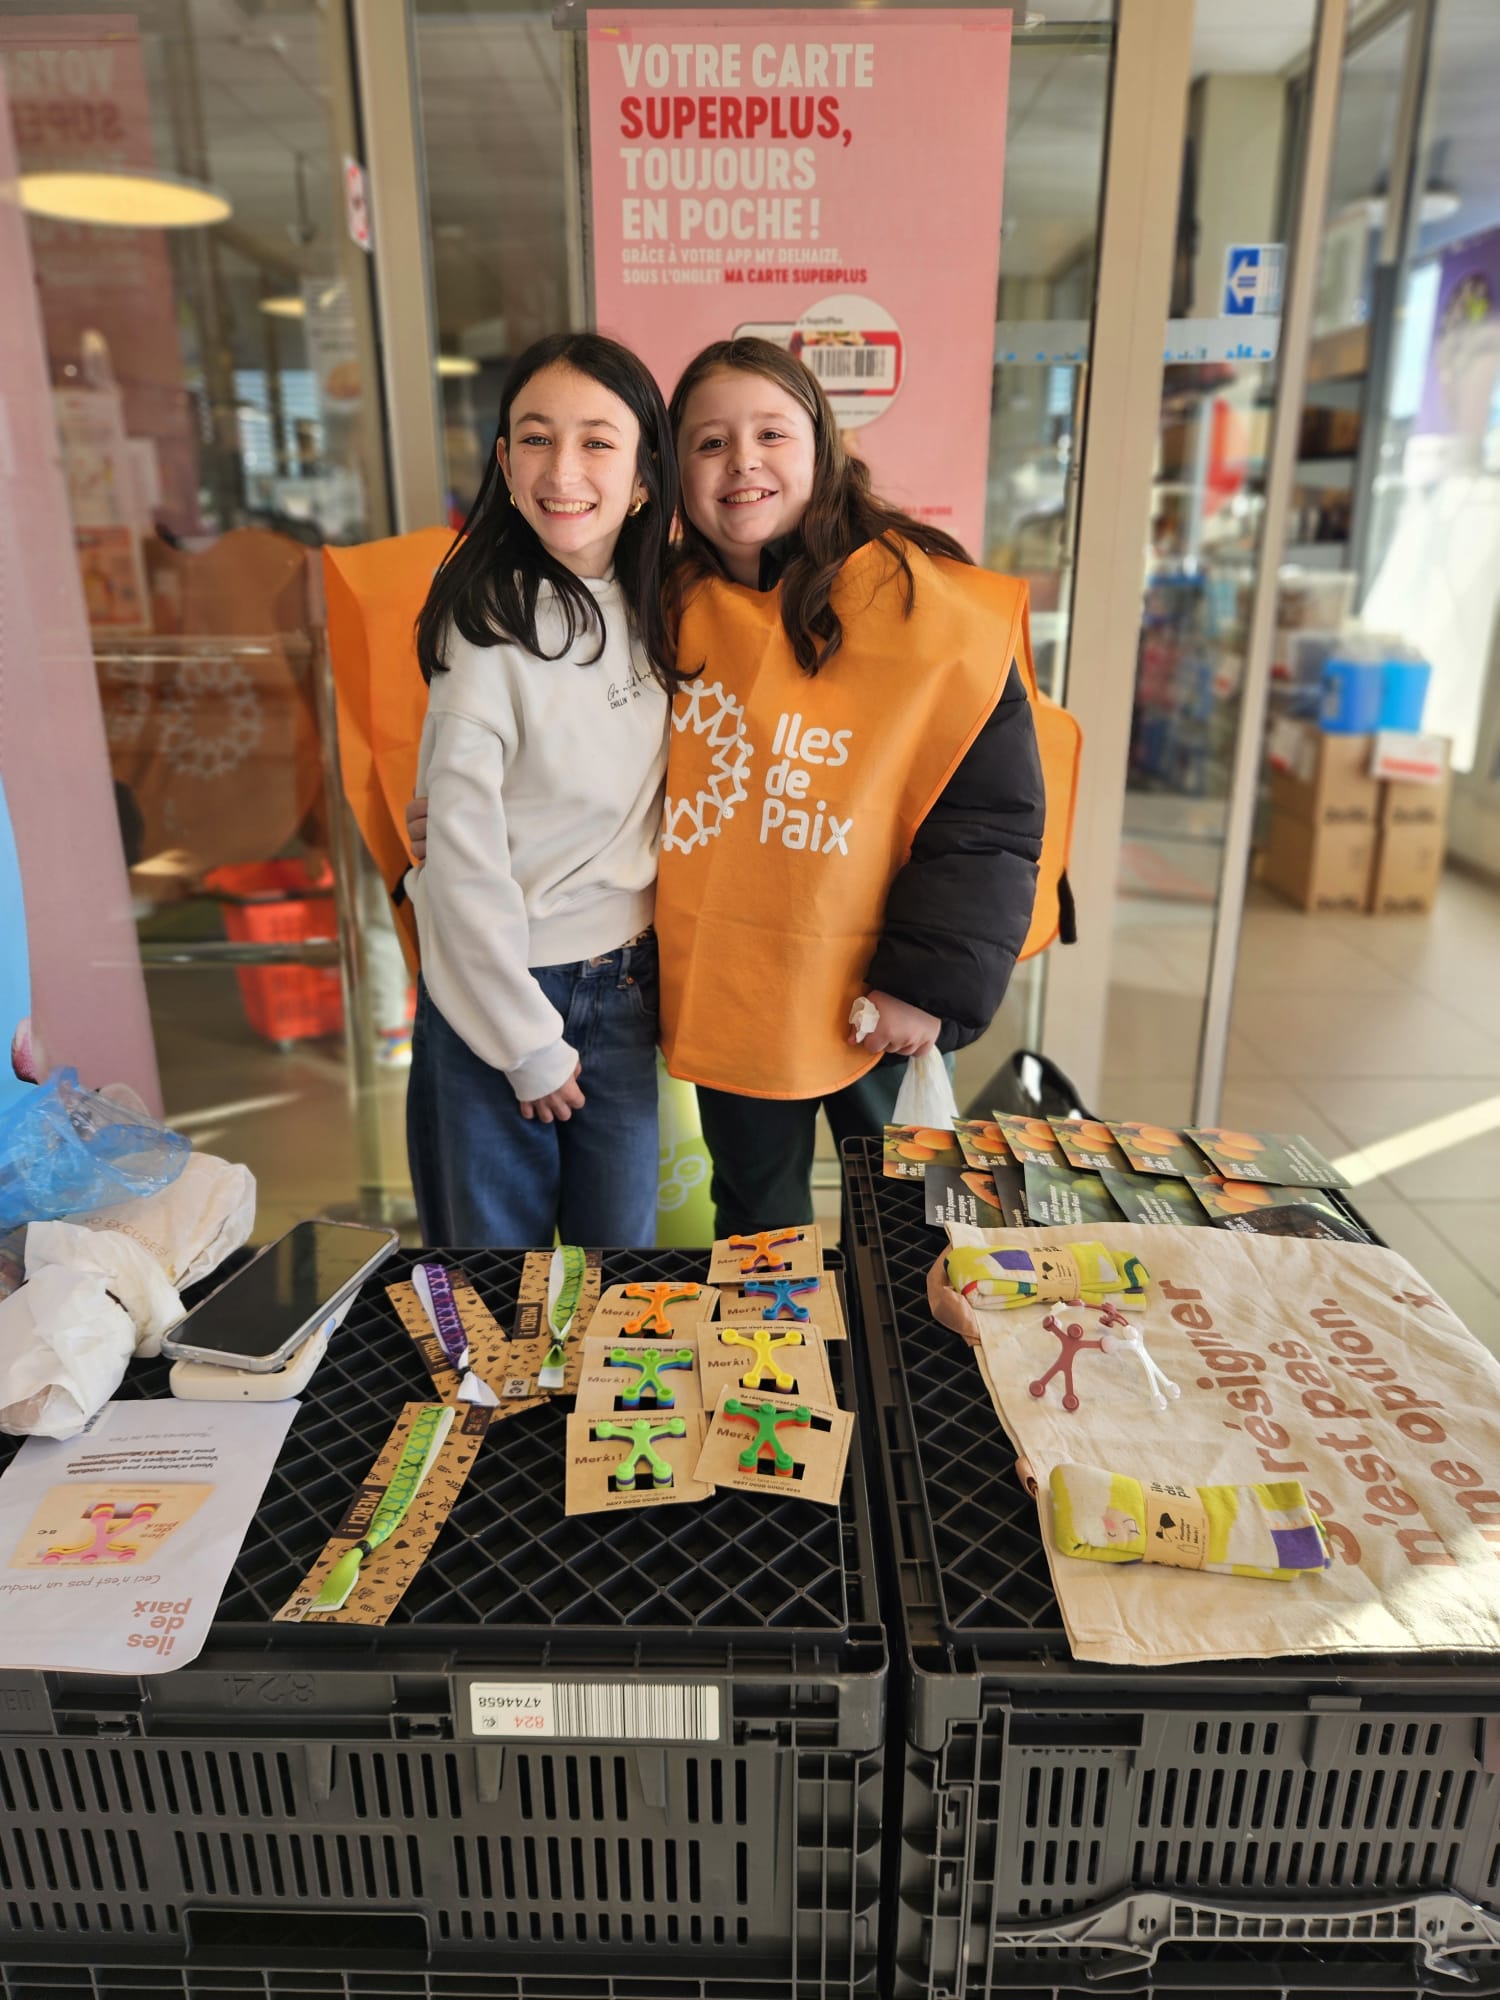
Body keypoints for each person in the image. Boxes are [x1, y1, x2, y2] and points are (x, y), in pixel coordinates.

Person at [656, 338, 1045, 1231]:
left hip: (881, 989)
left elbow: (987, 820)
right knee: (755, 1214)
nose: (742, 461)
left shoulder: (920, 605)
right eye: (710, 442)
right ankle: (772, 1332)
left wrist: (927, 986)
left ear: (823, 450)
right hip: (736, 990)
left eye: (771, 433)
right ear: (675, 474)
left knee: (905, 1213)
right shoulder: (664, 606)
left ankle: (903, 1328)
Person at [404, 331, 682, 1247]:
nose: (563, 470)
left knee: (620, 1274)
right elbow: (463, 869)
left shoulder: (665, 607)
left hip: (625, 986)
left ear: (643, 476)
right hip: (502, 990)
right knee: (496, 1284)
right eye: (535, 438)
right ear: (503, 462)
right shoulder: (486, 630)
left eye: (597, 441)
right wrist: (524, 1041)